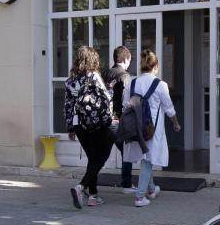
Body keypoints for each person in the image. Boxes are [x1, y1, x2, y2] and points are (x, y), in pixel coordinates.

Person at [122, 49, 180, 208]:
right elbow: (169, 108)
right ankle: (139, 197)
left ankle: (151, 189)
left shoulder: (131, 83)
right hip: (151, 129)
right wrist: (175, 123)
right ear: (156, 66)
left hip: (135, 128)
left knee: (147, 158)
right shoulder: (161, 85)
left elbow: (125, 105)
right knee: (148, 161)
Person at [63, 46, 113, 209]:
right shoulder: (94, 76)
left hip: (79, 125)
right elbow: (106, 97)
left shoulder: (70, 79)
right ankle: (81, 187)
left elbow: (67, 105)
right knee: (101, 157)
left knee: (92, 158)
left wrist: (70, 127)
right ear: (93, 59)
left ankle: (93, 195)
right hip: (96, 123)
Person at [104, 45, 134, 192]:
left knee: (100, 155)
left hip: (103, 119)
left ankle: (88, 186)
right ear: (126, 58)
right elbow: (125, 100)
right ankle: (126, 183)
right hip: (117, 120)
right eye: (130, 60)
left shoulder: (105, 73)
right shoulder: (124, 75)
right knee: (126, 151)